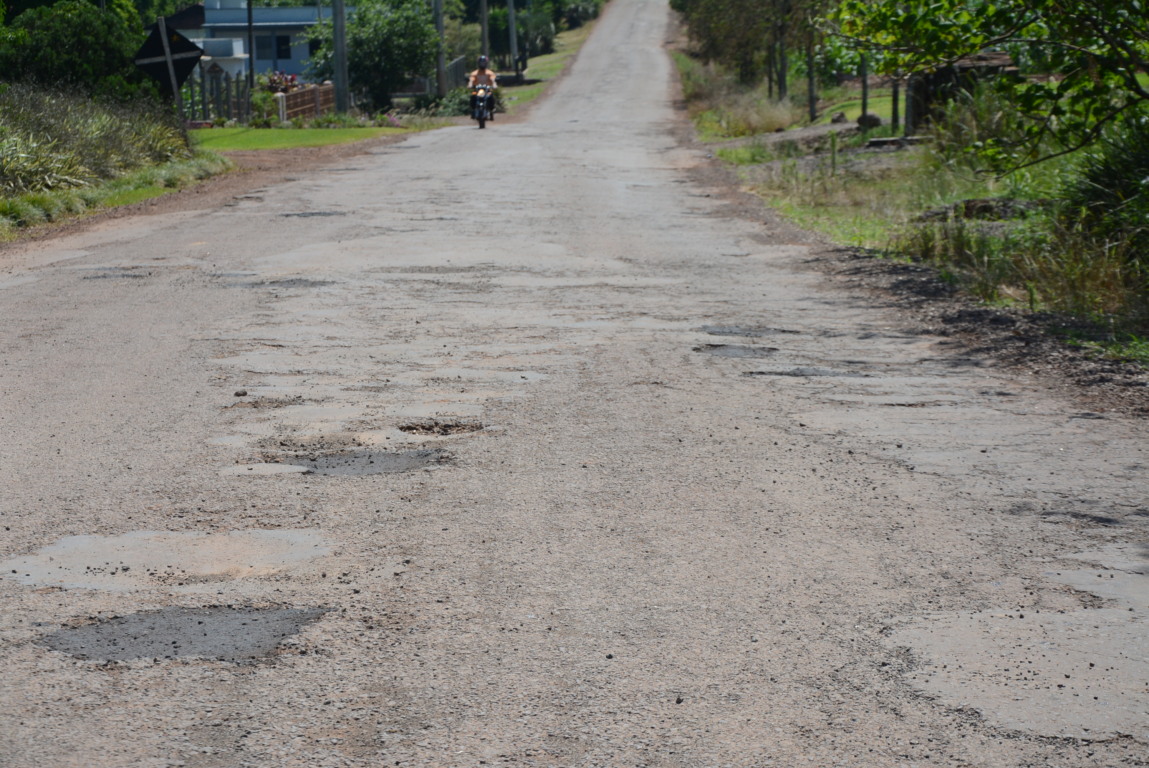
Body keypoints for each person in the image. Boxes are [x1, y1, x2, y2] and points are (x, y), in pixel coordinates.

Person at [468, 55, 497, 120]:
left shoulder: (489, 73)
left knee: (491, 96)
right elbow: (471, 80)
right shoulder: (474, 73)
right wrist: (470, 84)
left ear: (486, 63)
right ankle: (473, 110)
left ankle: (491, 109)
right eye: (481, 63)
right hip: (477, 90)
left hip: (487, 90)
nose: (482, 64)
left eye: (484, 63)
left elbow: (493, 80)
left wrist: (494, 84)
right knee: (473, 96)